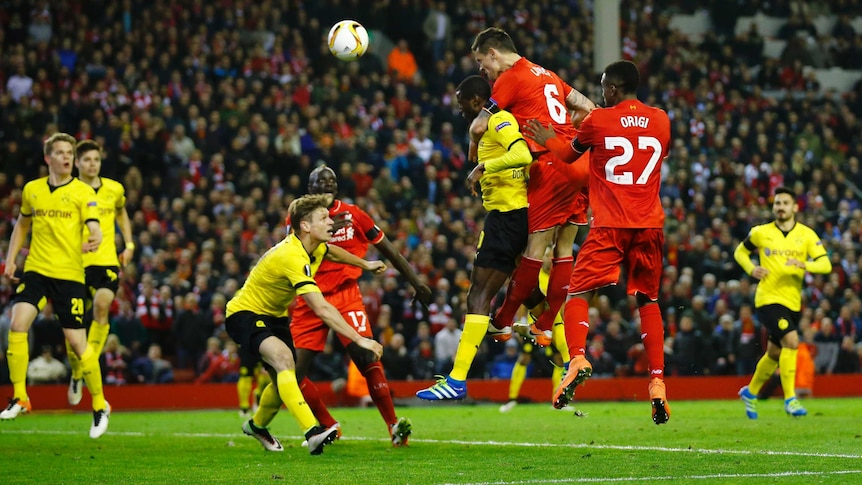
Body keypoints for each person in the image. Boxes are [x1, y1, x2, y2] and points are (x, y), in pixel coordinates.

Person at [523, 60, 672, 424]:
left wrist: (547, 139)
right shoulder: (662, 119)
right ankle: (657, 382)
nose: (601, 92)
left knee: (578, 295)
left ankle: (577, 357)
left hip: (610, 225)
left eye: (604, 86)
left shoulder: (599, 120)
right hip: (650, 224)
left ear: (613, 89)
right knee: (648, 300)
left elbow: (570, 156)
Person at [225, 193, 385, 455]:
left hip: (274, 317)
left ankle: (257, 426)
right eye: (323, 218)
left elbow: (333, 252)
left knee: (284, 380)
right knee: (284, 359)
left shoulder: (314, 246)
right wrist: (360, 339)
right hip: (244, 313)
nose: (331, 222)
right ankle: (313, 431)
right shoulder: (292, 256)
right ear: (305, 226)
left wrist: (364, 264)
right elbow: (321, 308)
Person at [467, 27, 594, 347]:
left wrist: (473, 146)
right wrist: (564, 131)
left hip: (549, 165)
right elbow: (588, 107)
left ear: (494, 53)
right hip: (578, 159)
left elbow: (479, 124)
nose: (484, 71)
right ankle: (546, 325)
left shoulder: (511, 77)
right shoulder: (549, 75)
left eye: (483, 63)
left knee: (535, 251)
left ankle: (504, 319)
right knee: (564, 249)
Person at [289, 165, 430, 446]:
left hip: (345, 295)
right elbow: (292, 253)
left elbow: (388, 249)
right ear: (310, 188)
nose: (326, 186)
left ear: (337, 188)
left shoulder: (354, 215)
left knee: (367, 357)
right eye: (319, 183)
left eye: (331, 182)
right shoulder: (299, 217)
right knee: (294, 372)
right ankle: (329, 426)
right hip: (310, 297)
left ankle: (394, 426)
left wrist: (417, 282)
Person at [416, 75, 531, 401]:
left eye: (462, 100)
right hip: (508, 217)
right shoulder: (484, 127)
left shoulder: (500, 120)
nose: (459, 107)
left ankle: (457, 379)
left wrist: (484, 166)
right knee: (528, 293)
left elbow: (522, 154)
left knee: (478, 294)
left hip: (509, 216)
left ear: (478, 101)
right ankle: (568, 354)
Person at [1, 132, 111, 438]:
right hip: (36, 270)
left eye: (70, 154)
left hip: (69, 275)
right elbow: (22, 223)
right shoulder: (32, 190)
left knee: (77, 343)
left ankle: (100, 404)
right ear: (48, 158)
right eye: (61, 153)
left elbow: (93, 224)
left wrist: (95, 235)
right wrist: (11, 260)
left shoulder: (82, 192)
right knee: (17, 322)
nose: (67, 158)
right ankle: (20, 396)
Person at [734, 186, 832, 418]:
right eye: (777, 203)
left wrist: (804, 265)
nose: (780, 207)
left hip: (793, 302)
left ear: (795, 207)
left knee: (774, 354)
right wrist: (751, 269)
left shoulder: (806, 235)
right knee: (791, 340)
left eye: (785, 203)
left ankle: (751, 391)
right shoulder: (760, 232)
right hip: (767, 298)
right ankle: (790, 399)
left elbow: (825, 265)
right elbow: (740, 252)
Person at [67, 139, 134, 407]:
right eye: (87, 160)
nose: (92, 164)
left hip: (106, 260)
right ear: (77, 164)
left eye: (96, 159)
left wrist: (128, 244)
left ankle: (90, 359)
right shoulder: (68, 192)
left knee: (102, 305)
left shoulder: (114, 189)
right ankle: (76, 373)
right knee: (72, 331)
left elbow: (122, 214)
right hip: (73, 263)